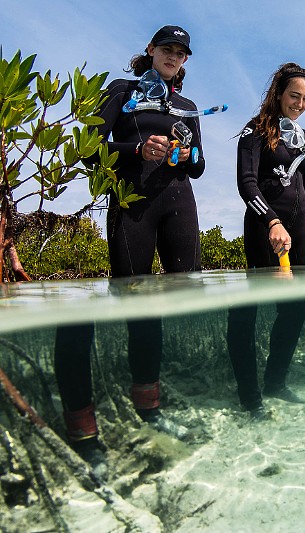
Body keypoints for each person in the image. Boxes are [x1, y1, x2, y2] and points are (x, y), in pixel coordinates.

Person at [54, 24, 203, 468]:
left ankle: (148, 407)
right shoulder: (123, 89)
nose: (174, 56)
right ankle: (86, 422)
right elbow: (90, 150)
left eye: (181, 52)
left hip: (180, 203)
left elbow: (199, 165)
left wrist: (182, 154)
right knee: (133, 298)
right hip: (132, 203)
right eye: (167, 49)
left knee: (170, 300)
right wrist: (140, 150)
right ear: (151, 50)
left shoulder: (188, 106)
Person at [226, 63, 305, 418]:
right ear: (278, 94)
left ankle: (275, 381)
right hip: (263, 225)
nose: (300, 104)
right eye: (294, 96)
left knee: (297, 307)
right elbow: (247, 183)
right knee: (250, 310)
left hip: (300, 227)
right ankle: (249, 395)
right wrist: (271, 220)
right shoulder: (254, 130)